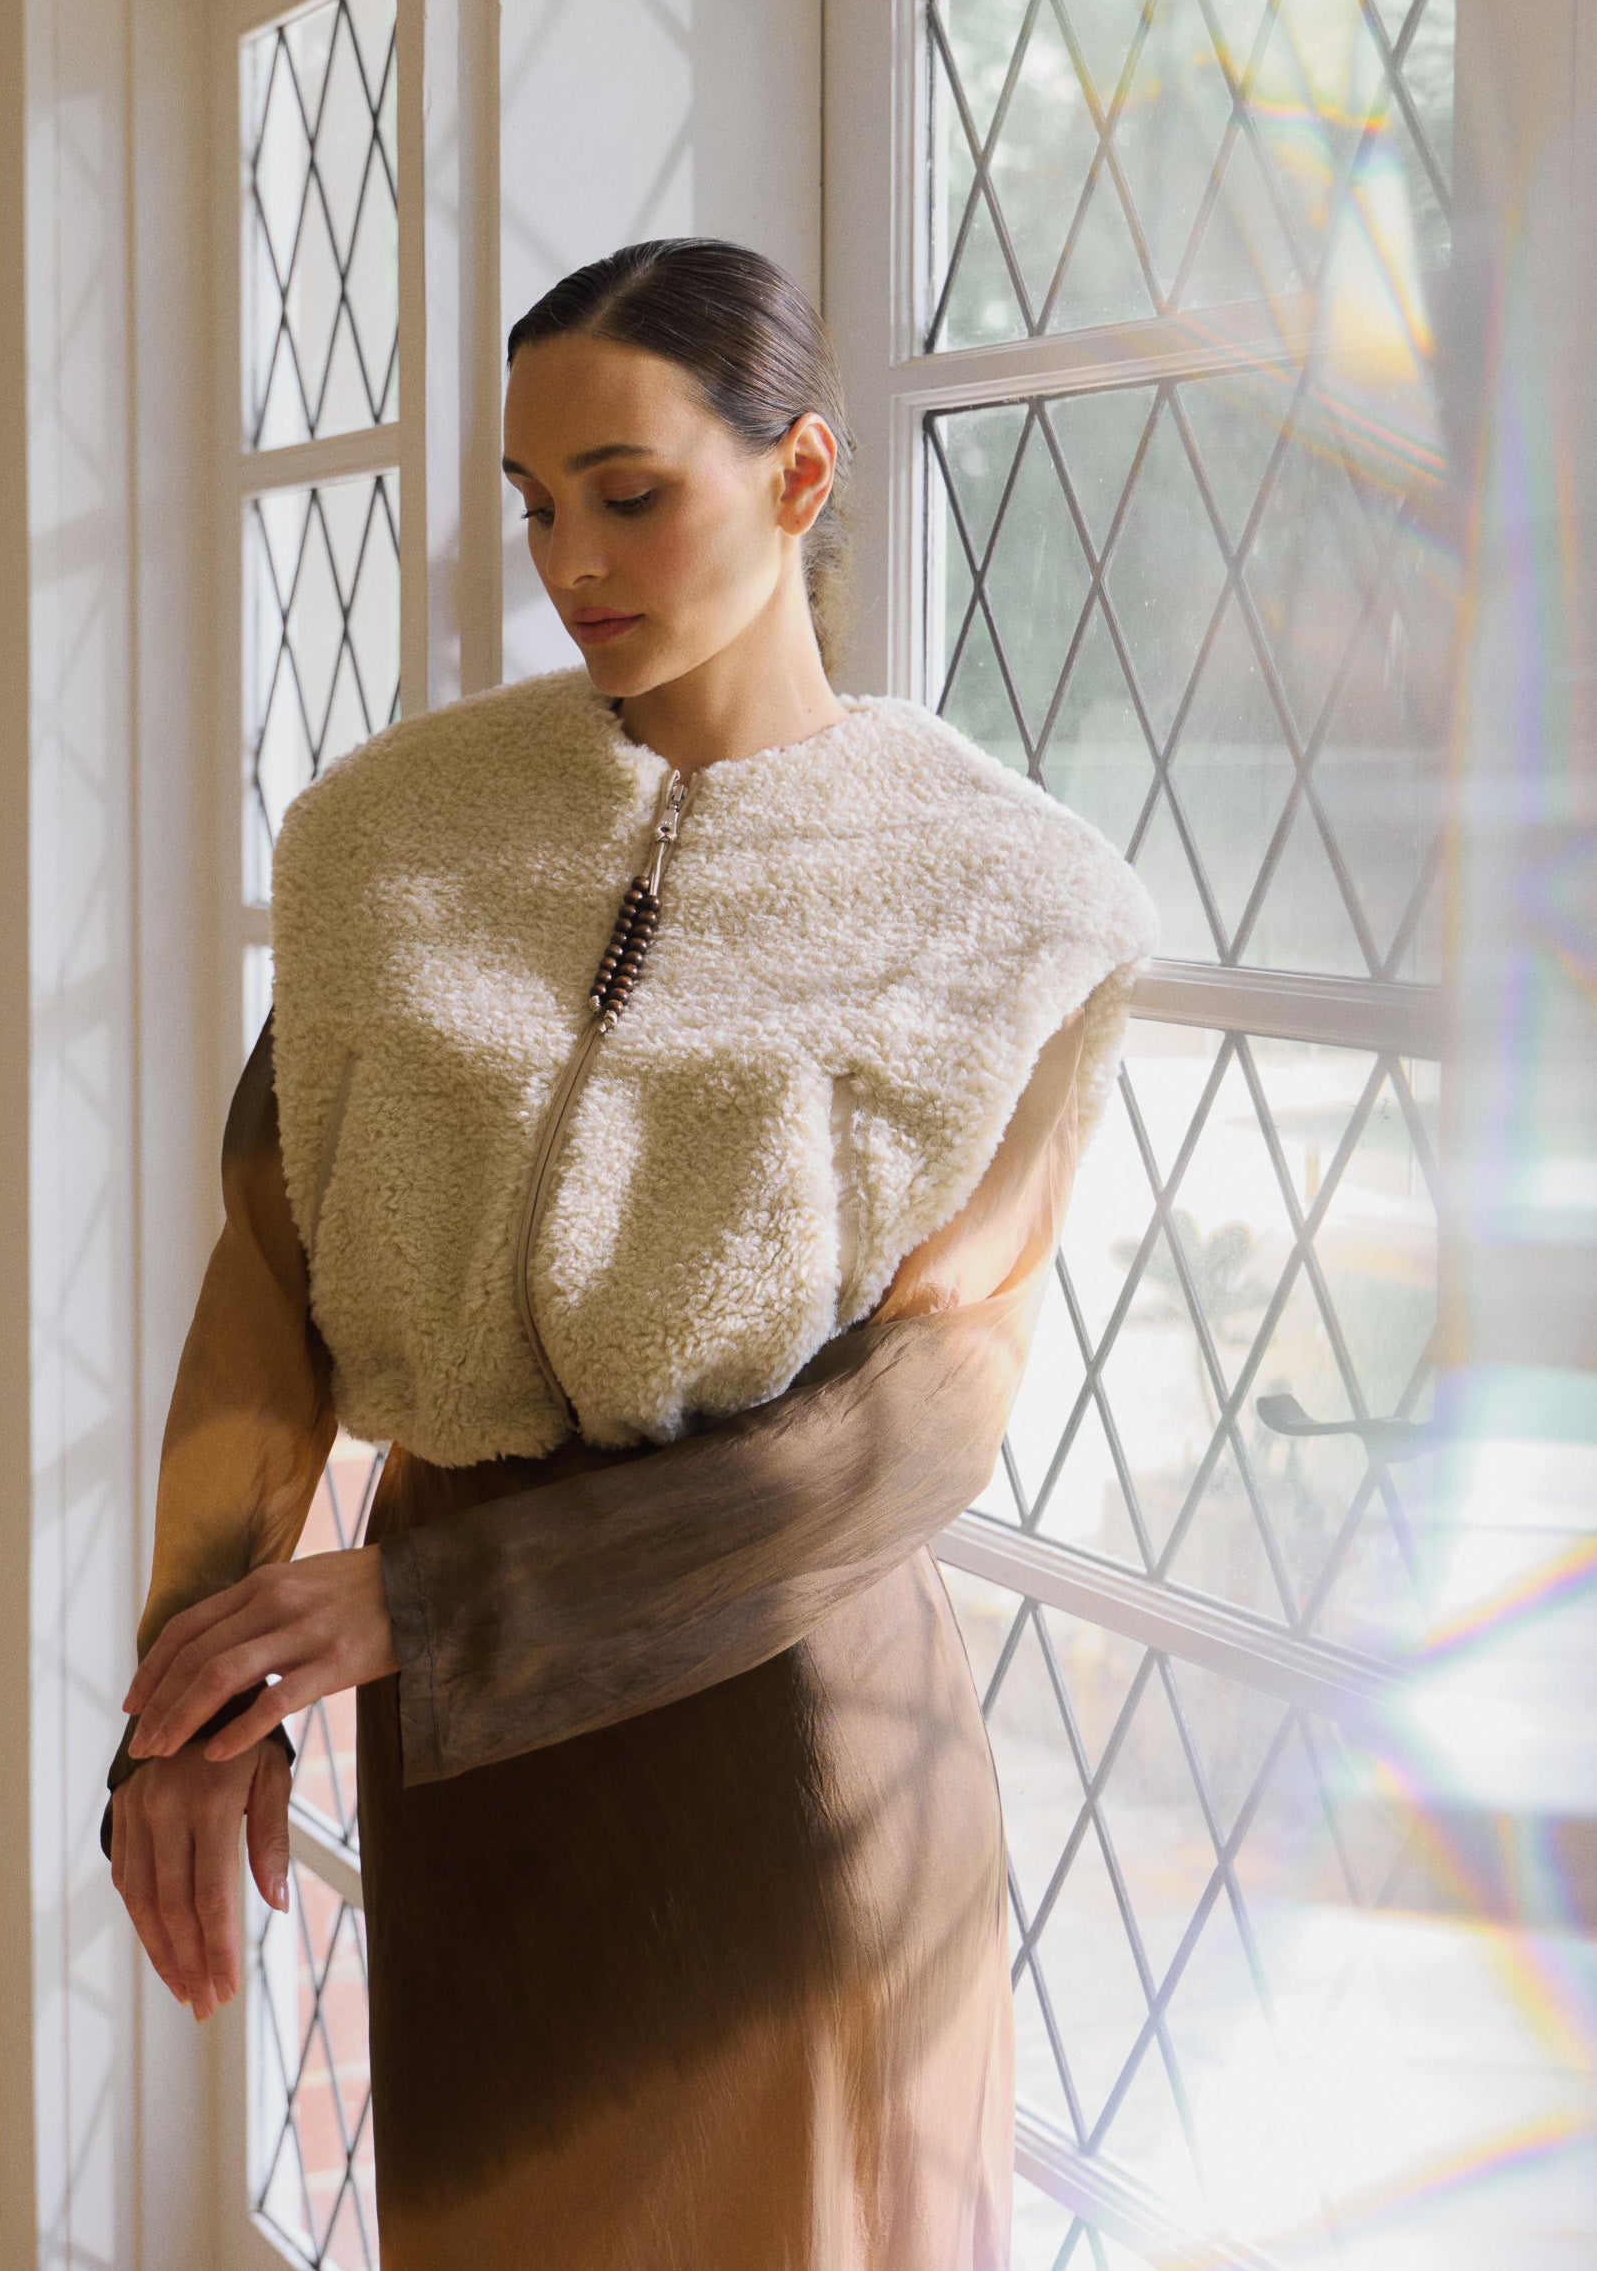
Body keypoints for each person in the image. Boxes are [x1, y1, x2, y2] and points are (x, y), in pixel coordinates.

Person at [104, 238, 1158, 2270]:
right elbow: (269, 1288)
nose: (570, 554)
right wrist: (185, 1697)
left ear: (798, 473)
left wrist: (447, 1599)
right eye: (531, 501)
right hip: (465, 1772)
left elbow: (923, 1422)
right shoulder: (388, 845)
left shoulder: (1005, 898)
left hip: (780, 1745)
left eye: (629, 487)